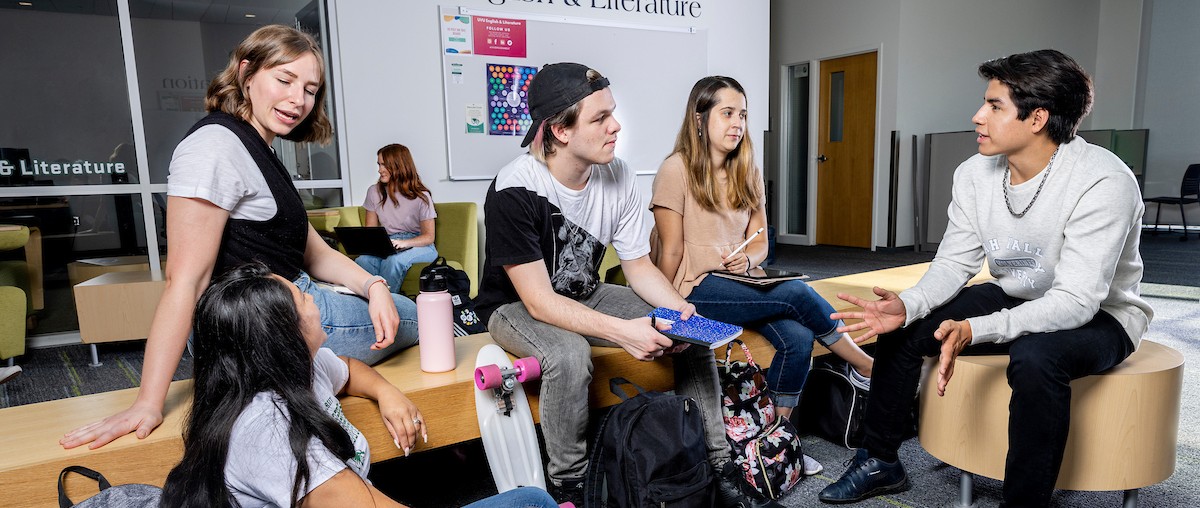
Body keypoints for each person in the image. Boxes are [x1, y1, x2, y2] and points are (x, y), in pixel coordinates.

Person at [818, 49, 1152, 507]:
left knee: (1036, 358)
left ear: (1037, 118)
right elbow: (955, 263)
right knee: (905, 327)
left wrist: (977, 329)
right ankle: (880, 461)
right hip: (1017, 293)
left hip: (1102, 314)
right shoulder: (975, 173)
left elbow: (1076, 301)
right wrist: (911, 303)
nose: (978, 116)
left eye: (995, 106)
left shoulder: (1104, 181)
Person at [60, 25, 419, 451]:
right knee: (414, 316)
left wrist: (373, 285)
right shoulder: (215, 146)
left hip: (277, 309)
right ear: (247, 73)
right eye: (284, 80)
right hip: (259, 325)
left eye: (309, 89)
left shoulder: (259, 148)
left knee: (391, 303)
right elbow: (185, 281)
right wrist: (148, 402)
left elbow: (315, 252)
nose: (298, 99)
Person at [472, 62, 777, 508]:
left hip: (584, 292)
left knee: (689, 331)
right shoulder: (514, 189)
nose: (616, 126)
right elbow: (538, 301)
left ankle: (717, 465)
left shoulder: (619, 175)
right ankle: (571, 485)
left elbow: (638, 266)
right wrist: (624, 333)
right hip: (513, 306)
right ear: (560, 130)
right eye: (600, 119)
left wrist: (679, 309)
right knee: (569, 355)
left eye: (612, 113)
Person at [160, 263, 557, 508]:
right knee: (535, 502)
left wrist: (388, 393)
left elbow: (347, 368)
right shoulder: (269, 431)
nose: (317, 302)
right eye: (304, 298)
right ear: (282, 336)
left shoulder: (300, 367)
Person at [649, 75, 874, 472]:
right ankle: (864, 364)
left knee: (799, 336)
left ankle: (777, 446)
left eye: (743, 115)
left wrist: (748, 261)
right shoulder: (675, 169)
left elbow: (759, 242)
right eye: (727, 113)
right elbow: (670, 248)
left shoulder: (747, 170)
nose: (737, 123)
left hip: (741, 281)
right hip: (694, 288)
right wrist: (663, 309)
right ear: (699, 119)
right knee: (798, 293)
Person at [353, 143, 439, 292]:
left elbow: (429, 237)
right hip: (389, 242)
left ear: (398, 165)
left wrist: (404, 243)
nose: (380, 170)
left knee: (394, 261)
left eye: (384, 165)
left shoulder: (421, 196)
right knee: (363, 260)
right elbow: (371, 232)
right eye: (379, 164)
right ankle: (366, 305)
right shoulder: (374, 192)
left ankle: (388, 305)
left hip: (420, 245)